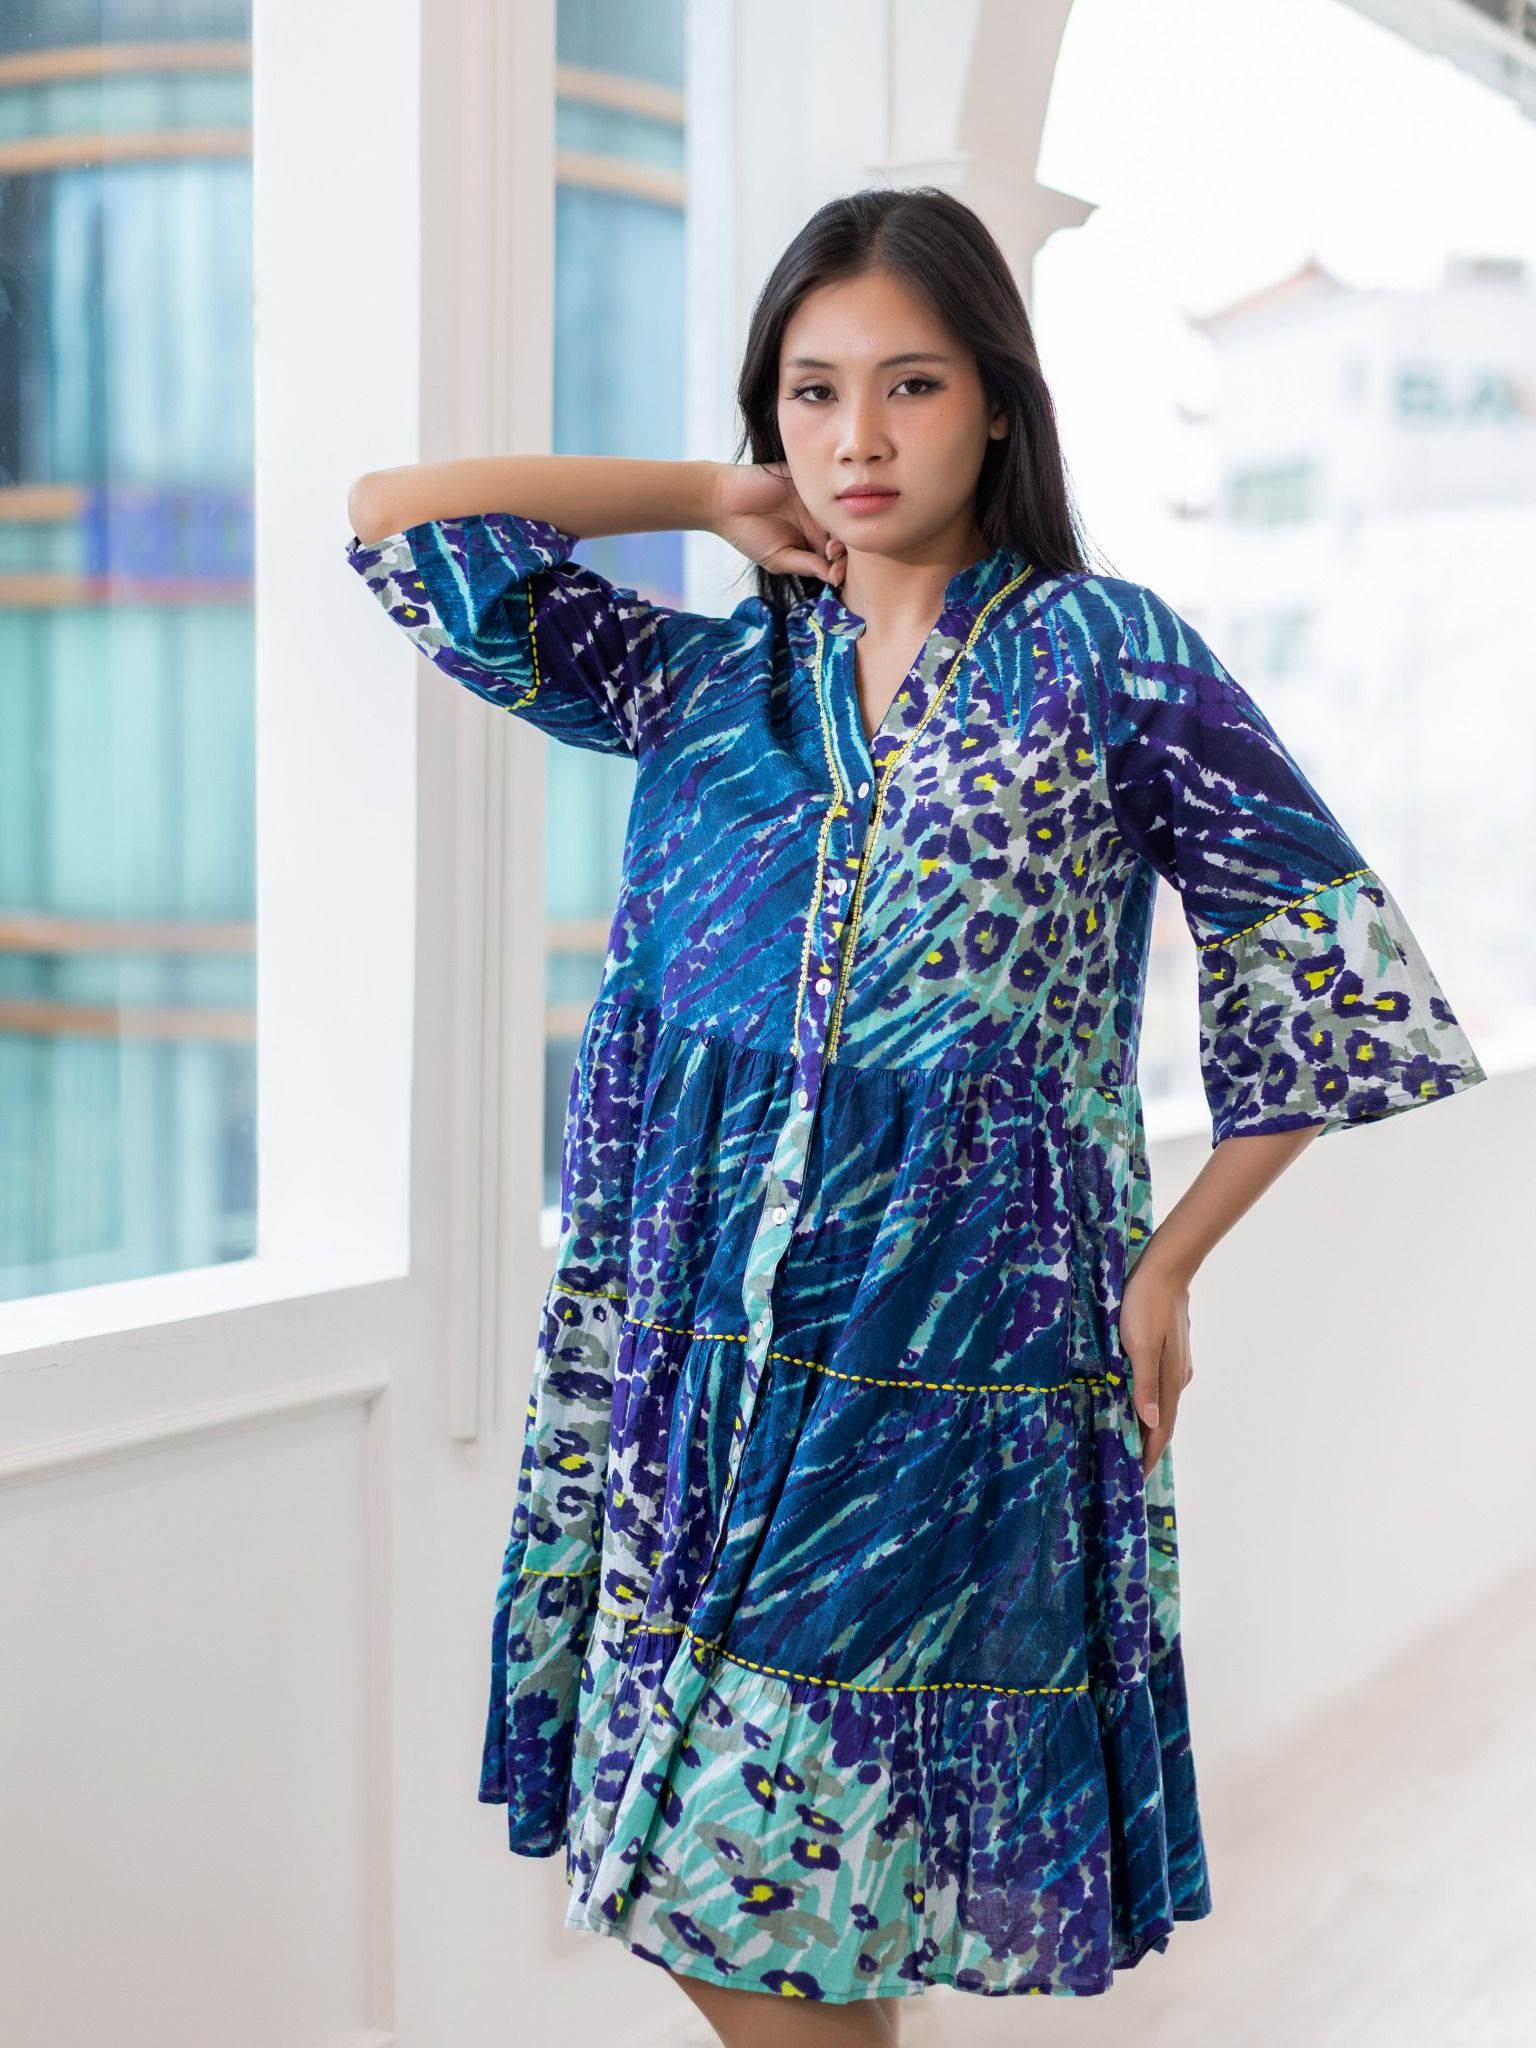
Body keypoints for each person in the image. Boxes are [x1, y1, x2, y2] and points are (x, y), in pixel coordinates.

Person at [344, 187, 1486, 2046]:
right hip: (697, 1360)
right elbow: (398, 522)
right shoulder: (704, 679)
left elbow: (1326, 964)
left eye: (911, 384)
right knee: (763, 1896)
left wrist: (1170, 1268)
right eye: (812, 392)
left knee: (767, 1892)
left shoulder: (1106, 655)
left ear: (999, 406)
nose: (857, 437)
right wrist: (703, 494)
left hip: (956, 1370)